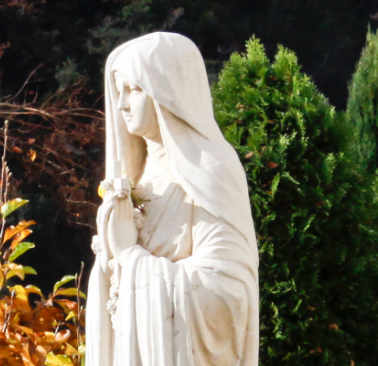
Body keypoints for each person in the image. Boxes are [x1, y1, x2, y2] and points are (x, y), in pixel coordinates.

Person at [85, 32, 260, 366]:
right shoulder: (138, 176)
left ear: (168, 90)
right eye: (119, 90)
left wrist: (129, 255)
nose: (121, 103)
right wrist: (109, 258)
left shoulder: (210, 169)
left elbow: (227, 296)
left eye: (134, 89)